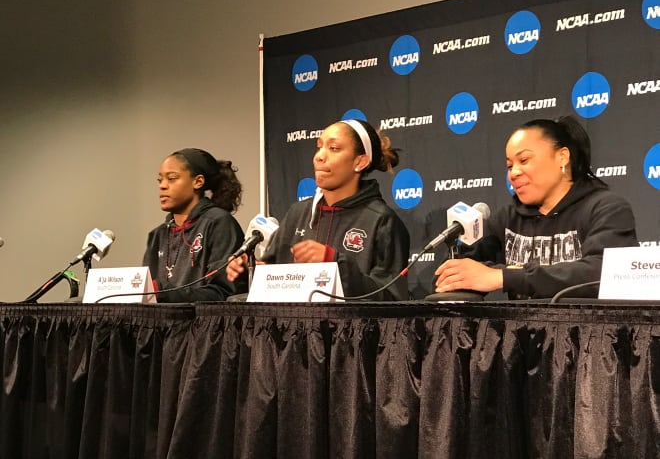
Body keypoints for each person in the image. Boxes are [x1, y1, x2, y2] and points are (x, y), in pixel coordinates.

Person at [434, 115, 638, 299]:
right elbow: (456, 273)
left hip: (585, 336)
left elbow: (605, 273)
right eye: (509, 165)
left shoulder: (607, 209)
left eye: (524, 160)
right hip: (518, 337)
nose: (513, 173)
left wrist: (504, 276)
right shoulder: (506, 218)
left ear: (562, 157)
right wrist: (473, 274)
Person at [227, 119, 410, 301]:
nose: (319, 156)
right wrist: (248, 270)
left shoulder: (382, 221)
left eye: (334, 148)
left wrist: (334, 261)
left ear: (360, 162)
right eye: (319, 146)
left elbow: (391, 298)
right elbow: (273, 280)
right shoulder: (297, 213)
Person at [144, 148, 247, 302]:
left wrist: (162, 293)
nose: (163, 186)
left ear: (198, 182)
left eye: (171, 178)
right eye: (160, 180)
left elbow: (223, 292)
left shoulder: (219, 223)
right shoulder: (157, 235)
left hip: (203, 324)